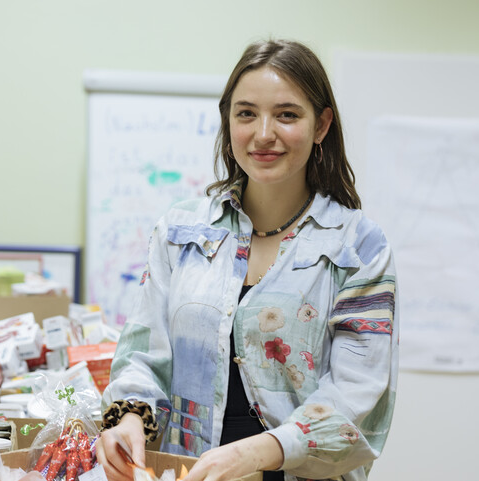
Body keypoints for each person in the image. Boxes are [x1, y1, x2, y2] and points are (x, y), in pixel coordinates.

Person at [96, 39, 398, 481]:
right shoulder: (181, 232)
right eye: (246, 114)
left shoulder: (359, 248)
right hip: (186, 471)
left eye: (287, 114)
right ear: (228, 120)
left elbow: (358, 398)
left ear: (321, 125)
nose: (263, 134)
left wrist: (259, 452)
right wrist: (129, 419)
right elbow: (143, 353)